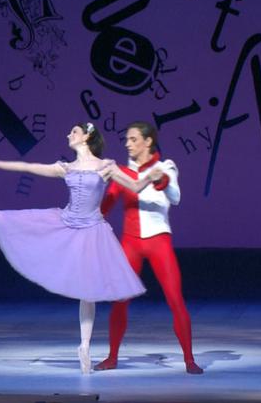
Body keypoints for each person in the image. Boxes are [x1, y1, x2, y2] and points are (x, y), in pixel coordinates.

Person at [0, 122, 156, 374]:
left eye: (73, 132)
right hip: (65, 222)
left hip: (91, 231)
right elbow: (29, 167)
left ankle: (84, 346)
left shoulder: (105, 166)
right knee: (8, 219)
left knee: (88, 292)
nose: (68, 135)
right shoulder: (66, 167)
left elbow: (135, 186)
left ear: (86, 136)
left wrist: (153, 174)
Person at [94, 121, 203, 374]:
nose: (127, 144)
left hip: (158, 242)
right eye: (127, 139)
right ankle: (112, 357)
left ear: (148, 141)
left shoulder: (165, 166)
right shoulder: (122, 172)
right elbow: (107, 204)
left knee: (175, 299)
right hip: (130, 243)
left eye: (133, 139)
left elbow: (176, 197)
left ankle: (189, 359)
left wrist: (161, 179)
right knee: (120, 301)